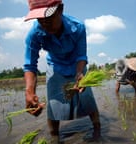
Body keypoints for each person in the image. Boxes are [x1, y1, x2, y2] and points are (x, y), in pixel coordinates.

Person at [23, 0, 101, 141]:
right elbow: (30, 65)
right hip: (55, 65)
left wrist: (79, 73)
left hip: (77, 65)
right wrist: (29, 92)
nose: (45, 23)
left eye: (49, 16)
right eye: (40, 19)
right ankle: (55, 137)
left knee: (86, 97)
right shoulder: (34, 34)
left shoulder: (78, 27)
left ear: (60, 9)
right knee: (53, 104)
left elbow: (81, 55)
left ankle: (97, 129)